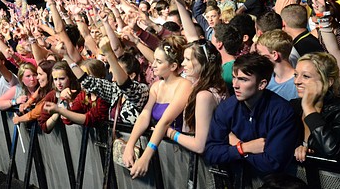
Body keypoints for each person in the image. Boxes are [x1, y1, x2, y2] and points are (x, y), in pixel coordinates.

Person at [204, 53, 298, 179]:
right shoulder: (227, 108)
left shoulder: (282, 112)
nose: (235, 85)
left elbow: (272, 163)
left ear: (262, 84)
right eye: (234, 77)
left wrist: (235, 150)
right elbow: (211, 153)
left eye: (243, 79)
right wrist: (244, 148)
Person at [122, 36, 193, 179]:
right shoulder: (156, 86)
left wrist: (146, 156)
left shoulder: (184, 85)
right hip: (161, 150)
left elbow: (165, 121)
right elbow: (144, 115)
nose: (153, 65)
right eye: (154, 60)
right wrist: (130, 145)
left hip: (180, 152)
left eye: (159, 62)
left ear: (173, 66)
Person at [165, 40, 227, 153]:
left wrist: (169, 132)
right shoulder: (213, 84)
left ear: (203, 62)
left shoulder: (204, 95)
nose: (183, 63)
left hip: (201, 164)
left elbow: (199, 146)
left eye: (188, 59)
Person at [293, 52, 340, 163]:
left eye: (306, 76)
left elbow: (333, 149)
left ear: (328, 81)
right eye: (295, 75)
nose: (296, 81)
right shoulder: (293, 106)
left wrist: (309, 108)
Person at [256, 30, 298, 101]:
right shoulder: (266, 79)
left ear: (274, 55)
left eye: (260, 54)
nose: (258, 58)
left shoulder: (298, 83)